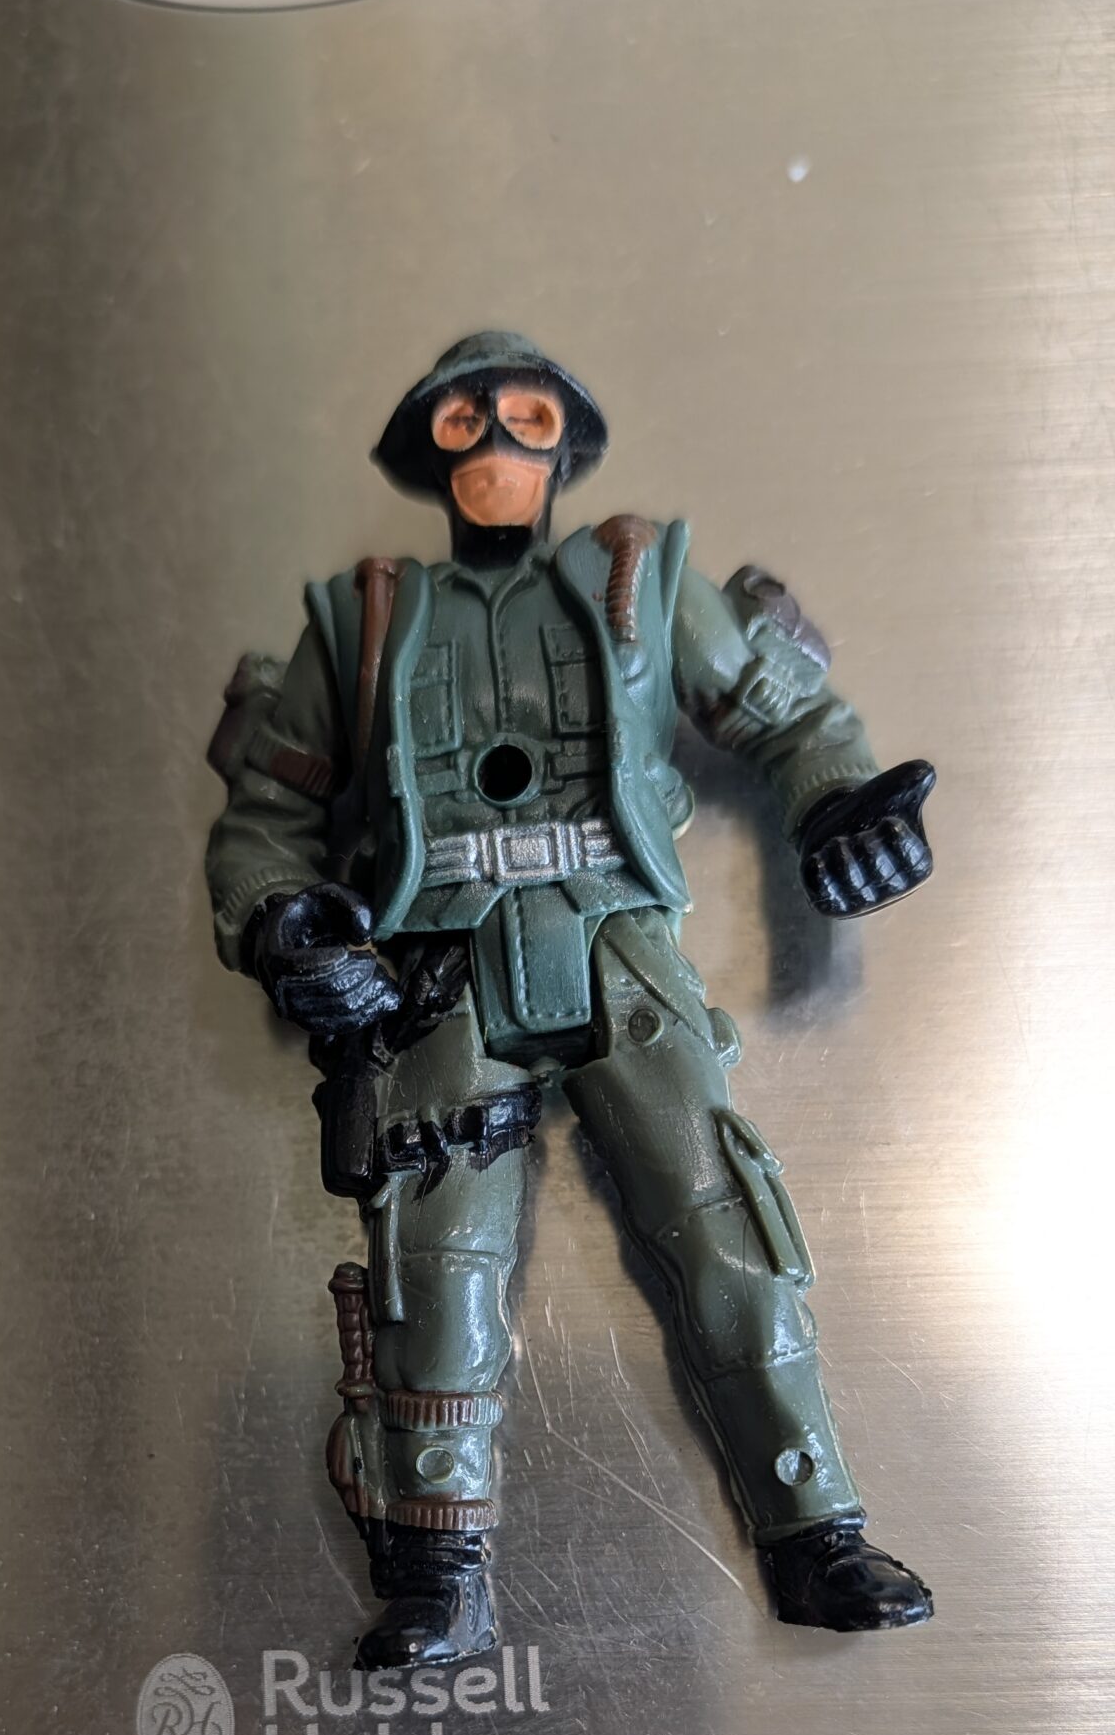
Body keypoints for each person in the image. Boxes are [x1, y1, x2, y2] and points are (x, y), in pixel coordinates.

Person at [205, 331, 935, 1665]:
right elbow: (265, 816)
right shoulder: (365, 620)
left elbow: (788, 712)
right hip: (439, 963)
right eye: (466, 419)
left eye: (525, 415)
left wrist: (840, 804)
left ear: (565, 442)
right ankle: (434, 1569)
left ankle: (815, 1528)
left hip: (616, 937)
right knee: (436, 1263)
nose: (495, 440)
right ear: (429, 447)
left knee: (721, 1217)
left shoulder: (638, 580)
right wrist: (285, 919)